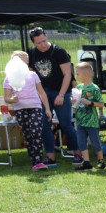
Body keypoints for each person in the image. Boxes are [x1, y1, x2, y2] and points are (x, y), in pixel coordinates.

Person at [27, 27, 81, 168]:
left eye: (44, 40)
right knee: (45, 125)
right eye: (38, 43)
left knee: (65, 124)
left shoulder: (59, 52)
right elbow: (31, 76)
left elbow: (67, 75)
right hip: (43, 93)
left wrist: (61, 95)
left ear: (46, 36)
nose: (42, 44)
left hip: (61, 91)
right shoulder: (32, 54)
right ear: (33, 43)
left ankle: (78, 153)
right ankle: (50, 157)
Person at [3, 51, 51, 171]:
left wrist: (48, 109)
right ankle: (34, 162)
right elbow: (6, 98)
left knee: (36, 132)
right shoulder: (9, 78)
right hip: (20, 109)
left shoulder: (33, 75)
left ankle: (38, 161)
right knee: (28, 135)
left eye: (27, 61)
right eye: (24, 61)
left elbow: (41, 92)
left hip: (35, 106)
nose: (27, 63)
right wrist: (12, 99)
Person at [72, 62, 105, 171]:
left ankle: (101, 161)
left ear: (86, 75)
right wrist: (73, 101)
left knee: (95, 142)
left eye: (78, 74)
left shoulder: (94, 88)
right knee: (81, 142)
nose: (76, 77)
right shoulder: (79, 87)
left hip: (92, 121)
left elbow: (101, 104)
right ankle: (86, 162)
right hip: (80, 121)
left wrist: (89, 103)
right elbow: (76, 102)